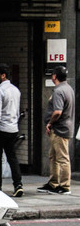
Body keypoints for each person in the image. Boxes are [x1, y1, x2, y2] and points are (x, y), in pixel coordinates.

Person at [39, 65, 75, 195]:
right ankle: (53, 183)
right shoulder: (68, 88)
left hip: (60, 129)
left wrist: (50, 123)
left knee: (62, 158)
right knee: (53, 156)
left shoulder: (59, 91)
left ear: (54, 76)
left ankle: (65, 186)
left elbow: (57, 112)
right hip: (63, 127)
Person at [0, 63, 23, 197]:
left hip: (1, 129)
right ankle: (18, 184)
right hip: (13, 129)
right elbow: (17, 111)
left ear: (3, 76)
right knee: (12, 157)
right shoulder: (16, 90)